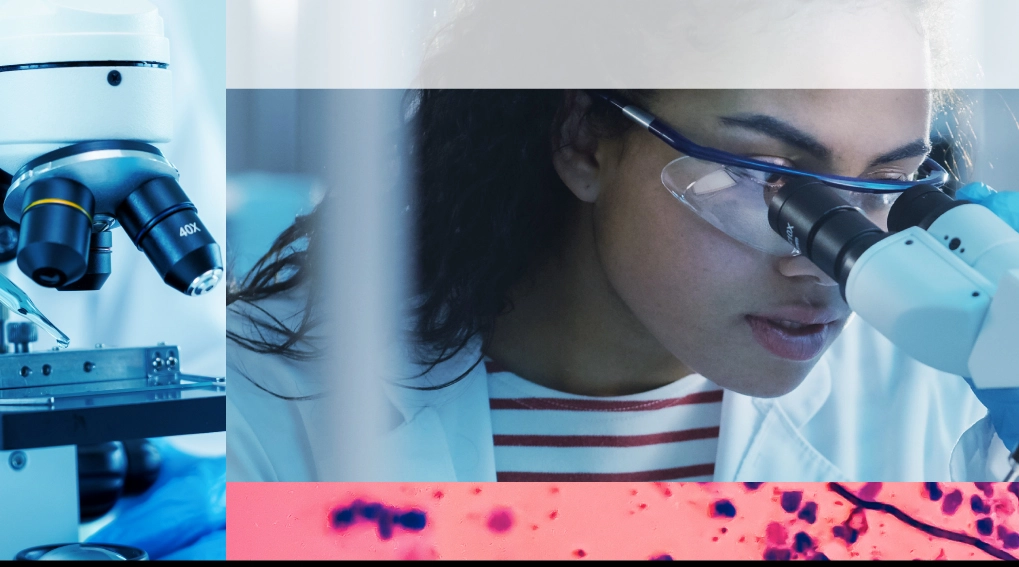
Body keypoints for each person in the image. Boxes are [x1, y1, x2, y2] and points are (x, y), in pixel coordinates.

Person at [226, 2, 1019, 482]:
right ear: (584, 140)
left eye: (887, 187)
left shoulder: (949, 394)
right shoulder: (267, 400)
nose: (830, 265)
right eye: (772, 181)